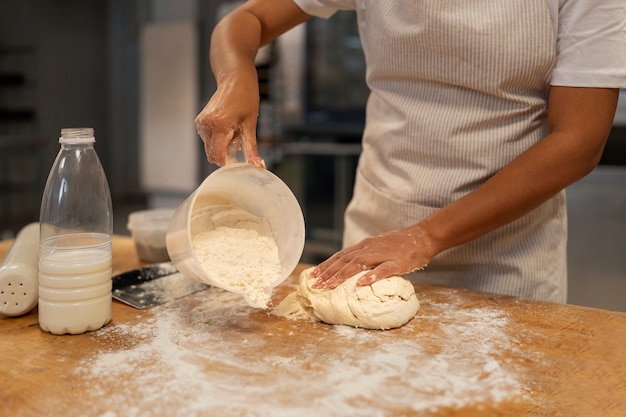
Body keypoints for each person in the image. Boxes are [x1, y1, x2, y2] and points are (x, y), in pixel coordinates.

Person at [195, 0, 626, 303]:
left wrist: (425, 237)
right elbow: (246, 17)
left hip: (504, 258)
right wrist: (237, 75)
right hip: (371, 242)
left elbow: (577, 141)